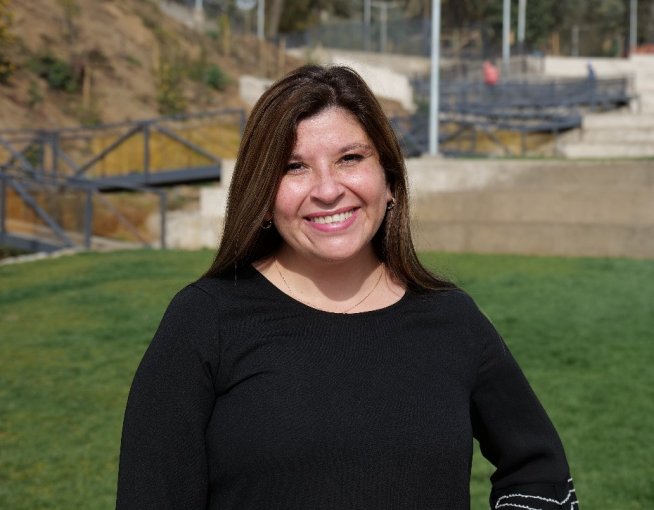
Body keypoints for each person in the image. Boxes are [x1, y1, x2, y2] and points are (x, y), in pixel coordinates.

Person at [116, 64, 577, 509]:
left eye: (350, 158)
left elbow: (540, 470)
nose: (328, 189)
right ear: (261, 193)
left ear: (390, 178)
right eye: (294, 167)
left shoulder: (452, 320)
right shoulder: (205, 320)